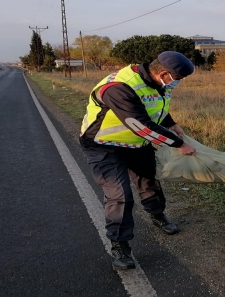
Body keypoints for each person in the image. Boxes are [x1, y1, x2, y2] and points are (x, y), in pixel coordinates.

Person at [79, 51, 197, 270]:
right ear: (163, 74)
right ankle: (120, 244)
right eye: (177, 79)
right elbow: (141, 124)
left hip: (136, 144)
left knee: (149, 181)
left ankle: (157, 214)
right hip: (104, 145)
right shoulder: (118, 87)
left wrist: (171, 123)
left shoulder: (156, 83)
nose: (177, 84)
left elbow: (153, 107)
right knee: (119, 194)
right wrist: (178, 144)